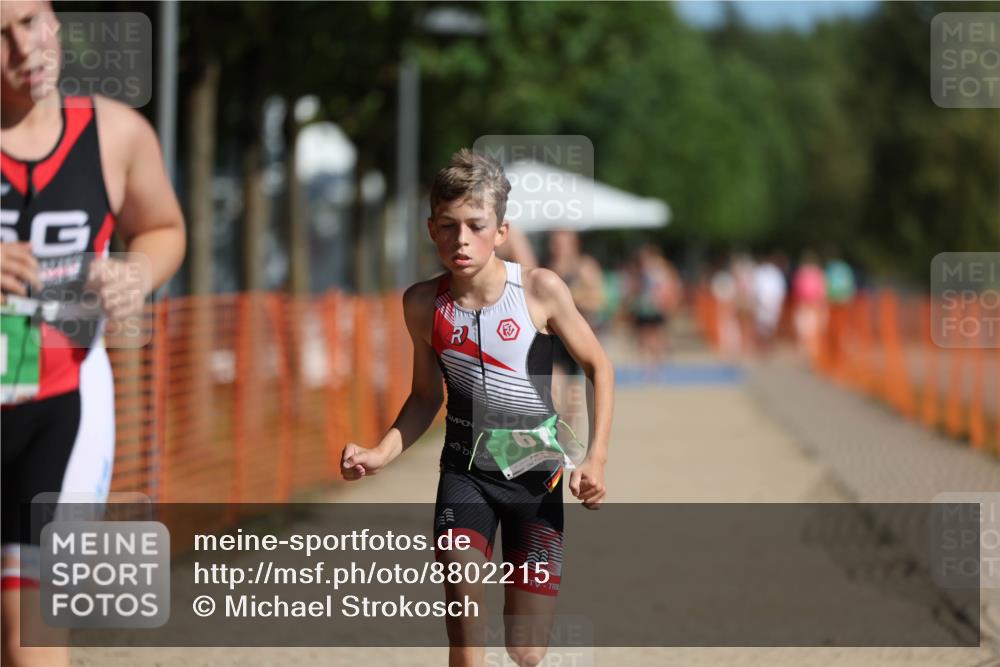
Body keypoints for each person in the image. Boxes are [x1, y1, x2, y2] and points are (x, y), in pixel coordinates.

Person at [340, 149, 613, 667]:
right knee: (465, 626)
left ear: (502, 230)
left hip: (537, 478)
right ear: (430, 228)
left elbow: (601, 367)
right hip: (464, 474)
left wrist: (595, 458)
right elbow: (426, 397)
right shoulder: (422, 304)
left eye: (474, 225)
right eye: (447, 226)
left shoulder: (539, 290)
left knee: (526, 650)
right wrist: (381, 452)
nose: (460, 239)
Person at [1, 3, 185, 665]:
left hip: (65, 402)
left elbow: (164, 227)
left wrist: (137, 273)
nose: (26, 45)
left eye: (33, 19)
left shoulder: (115, 133)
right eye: (1, 33)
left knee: (31, 633)